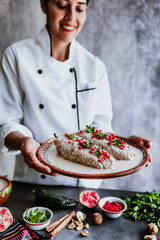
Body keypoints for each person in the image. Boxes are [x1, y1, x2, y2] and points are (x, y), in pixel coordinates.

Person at [0, 0, 152, 188]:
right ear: (44, 5)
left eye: (80, 8)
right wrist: (24, 141)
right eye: (62, 5)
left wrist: (121, 142)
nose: (71, 16)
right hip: (35, 183)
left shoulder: (95, 67)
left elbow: (99, 130)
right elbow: (7, 123)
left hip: (86, 183)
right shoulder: (17, 56)